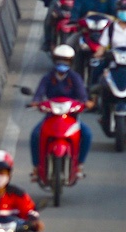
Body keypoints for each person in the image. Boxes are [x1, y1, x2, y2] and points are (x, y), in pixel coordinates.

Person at [29, 45, 93, 178]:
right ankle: (36, 167)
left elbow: (82, 95)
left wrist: (86, 102)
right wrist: (35, 101)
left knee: (87, 135)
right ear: (54, 60)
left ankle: (79, 165)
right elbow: (39, 93)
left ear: (71, 61)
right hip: (51, 116)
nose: (62, 63)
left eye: (66, 60)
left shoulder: (75, 77)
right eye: (59, 59)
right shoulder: (48, 77)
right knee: (35, 135)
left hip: (71, 117)